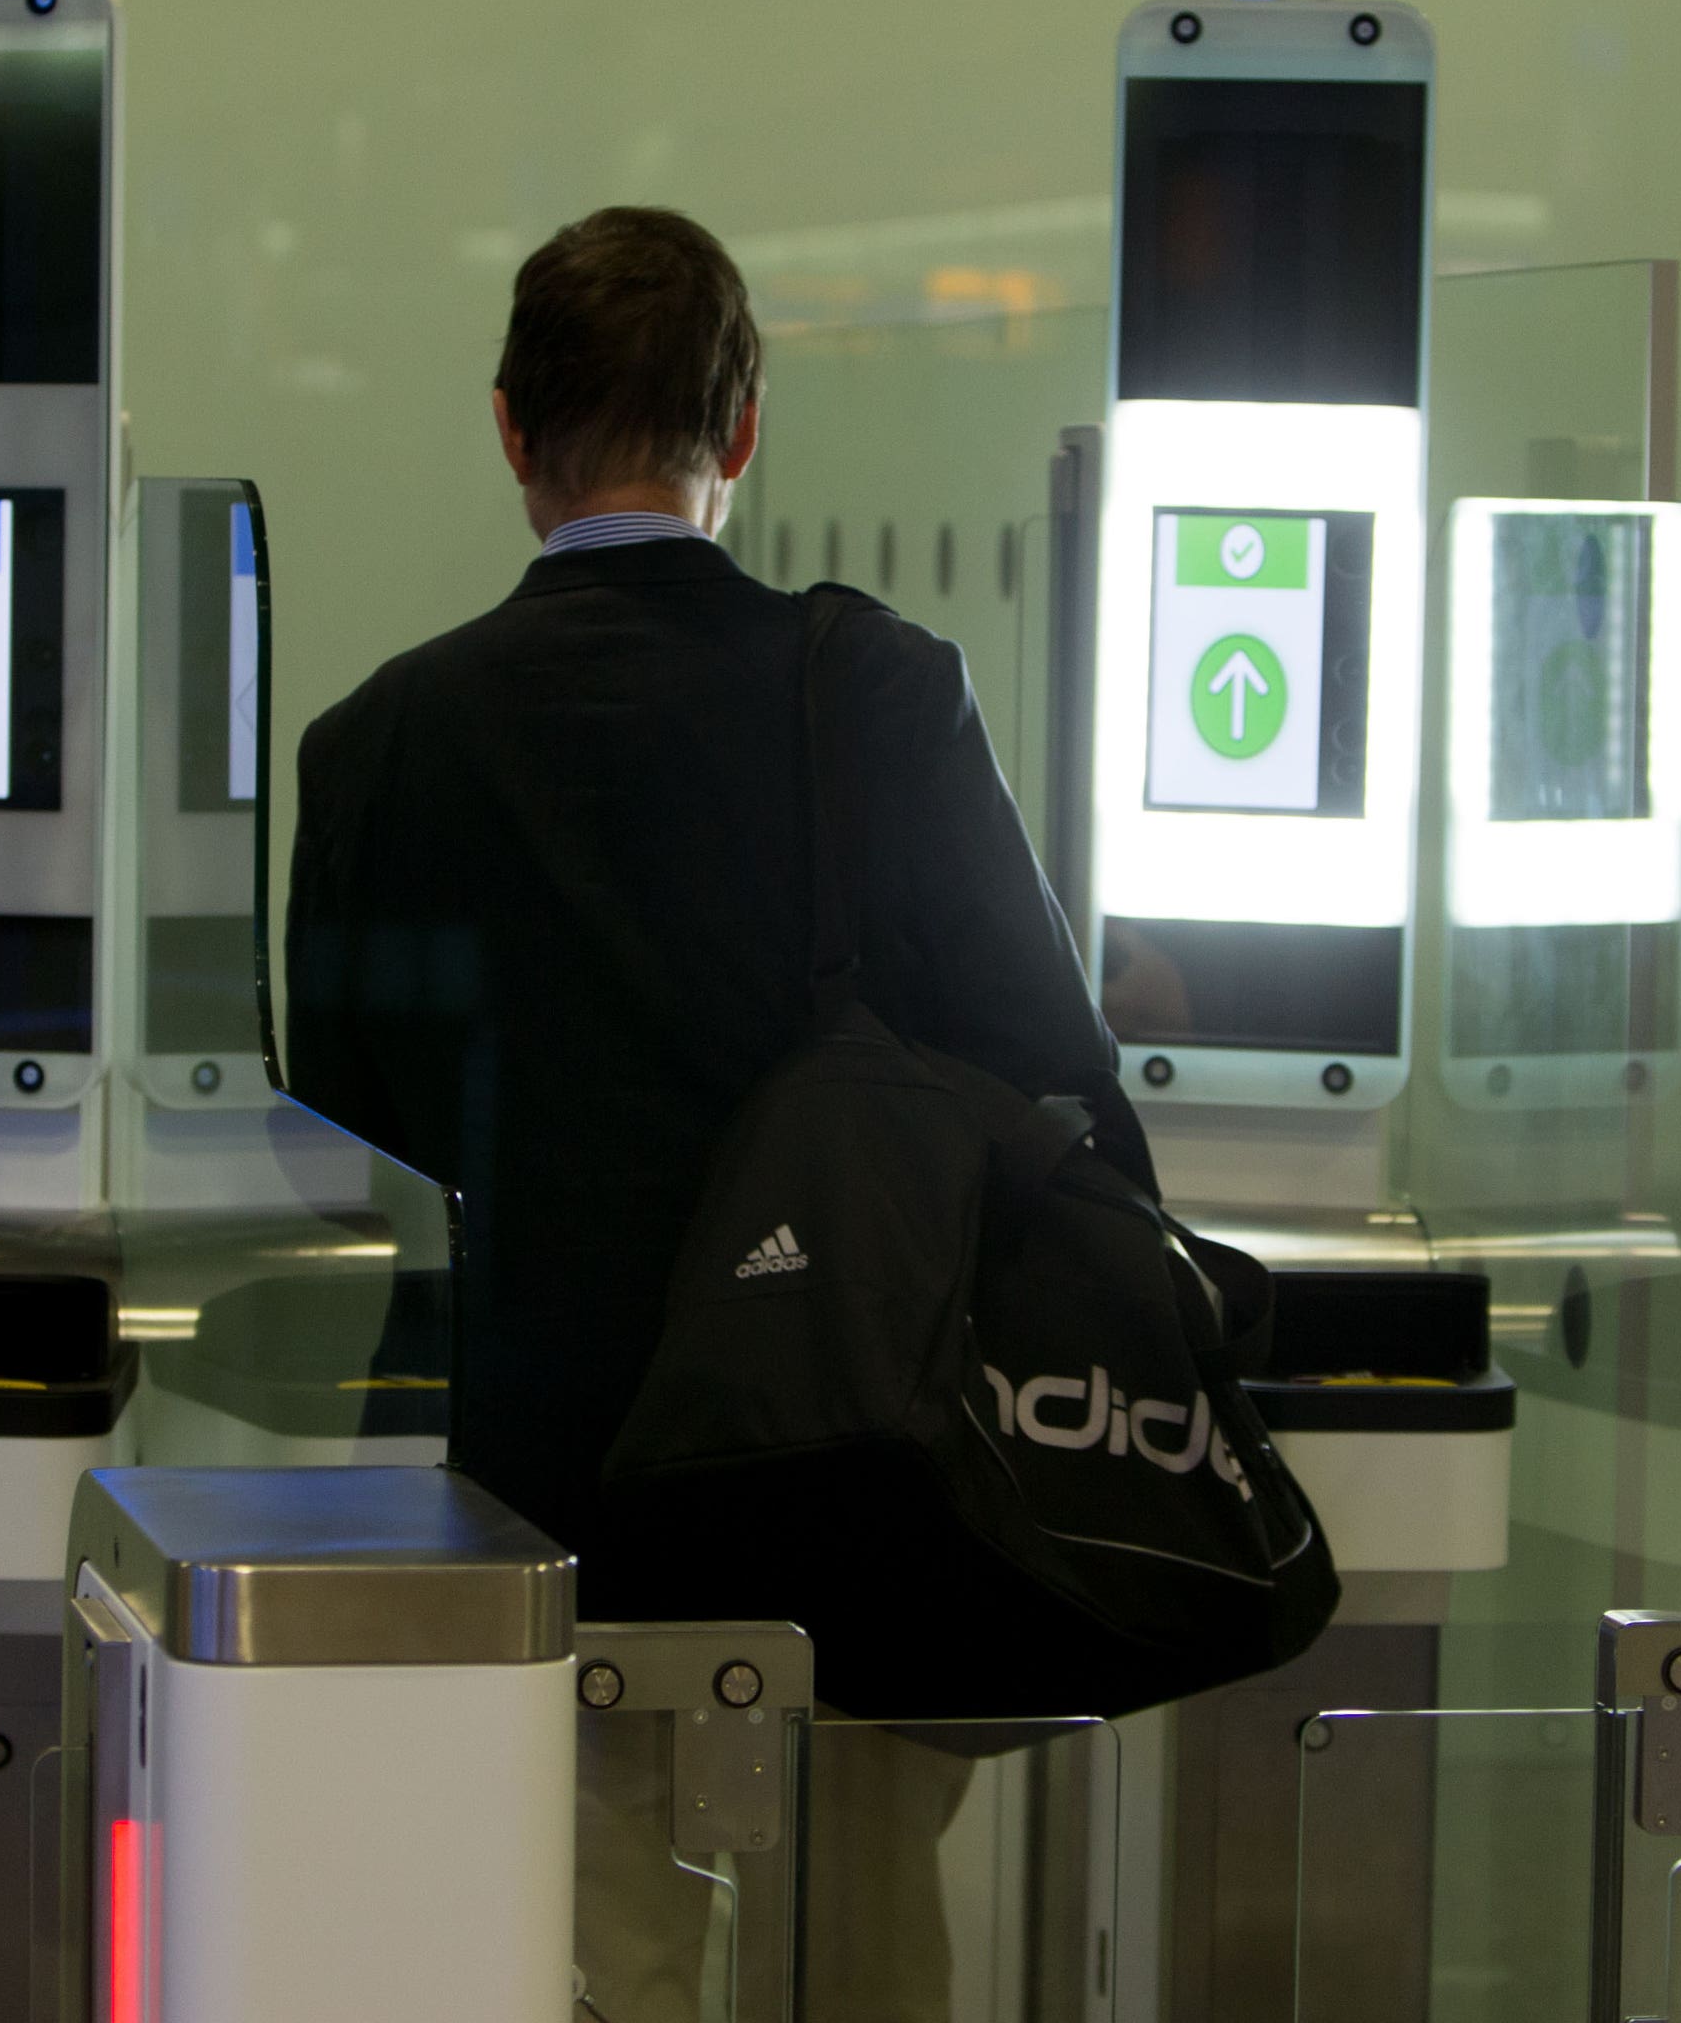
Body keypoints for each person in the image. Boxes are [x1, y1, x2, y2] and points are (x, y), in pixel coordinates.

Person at [282, 204, 1151, 2018]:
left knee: (588, 1952)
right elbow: (1054, 1088)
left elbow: (351, 1134)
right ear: (741, 432)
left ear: (511, 433)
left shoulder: (378, 749)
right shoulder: (883, 697)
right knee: (863, 1954)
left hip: (531, 1505)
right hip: (857, 1468)